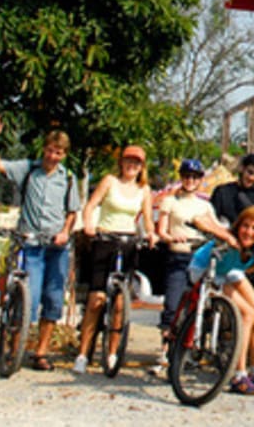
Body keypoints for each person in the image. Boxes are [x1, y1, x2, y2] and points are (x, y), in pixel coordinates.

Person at [0, 113, 79, 372]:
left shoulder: (68, 178)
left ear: (64, 154)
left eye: (58, 152)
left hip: (55, 244)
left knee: (53, 298)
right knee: (30, 296)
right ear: (44, 149)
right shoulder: (29, 169)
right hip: (31, 241)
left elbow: (72, 212)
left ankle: (41, 352)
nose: (52, 156)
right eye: (50, 150)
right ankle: (16, 350)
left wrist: (65, 231)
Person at [149, 158, 242, 378]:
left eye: (195, 177)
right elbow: (161, 230)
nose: (190, 180)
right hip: (179, 256)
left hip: (200, 257)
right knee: (173, 305)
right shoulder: (170, 202)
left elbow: (217, 228)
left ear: (200, 180)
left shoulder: (205, 205)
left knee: (199, 305)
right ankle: (164, 353)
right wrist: (172, 236)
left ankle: (192, 350)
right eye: (186, 176)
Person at [73, 145, 157, 374]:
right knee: (96, 300)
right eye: (128, 161)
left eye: (137, 163)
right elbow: (91, 205)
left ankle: (112, 353)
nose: (132, 166)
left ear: (142, 167)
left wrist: (151, 232)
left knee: (120, 303)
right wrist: (89, 224)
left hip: (127, 243)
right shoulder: (110, 181)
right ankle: (83, 354)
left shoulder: (144, 189)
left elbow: (148, 219)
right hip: (105, 239)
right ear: (121, 162)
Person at [189, 204, 254, 394]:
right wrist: (225, 235)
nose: (249, 232)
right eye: (245, 226)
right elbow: (199, 220)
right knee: (248, 314)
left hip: (229, 272)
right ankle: (239, 375)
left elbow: (247, 268)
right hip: (207, 270)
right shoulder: (228, 236)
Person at [210, 152, 254, 226]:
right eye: (250, 172)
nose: (252, 178)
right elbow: (212, 221)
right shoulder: (222, 191)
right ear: (242, 168)